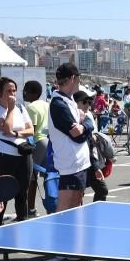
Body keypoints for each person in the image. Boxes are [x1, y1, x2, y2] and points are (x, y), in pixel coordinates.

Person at [0, 77, 35, 225]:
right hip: (4, 155)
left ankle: (22, 223)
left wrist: (17, 134)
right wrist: (11, 110)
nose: (12, 94)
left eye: (14, 90)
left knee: (23, 193)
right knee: (2, 193)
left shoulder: (21, 107)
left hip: (23, 153)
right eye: (9, 91)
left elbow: (31, 130)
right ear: (0, 92)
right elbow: (6, 129)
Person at [48, 63, 92, 211]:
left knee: (75, 207)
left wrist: (85, 124)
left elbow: (85, 125)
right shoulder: (58, 104)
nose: (80, 81)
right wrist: (86, 125)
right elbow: (76, 135)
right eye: (79, 78)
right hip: (69, 166)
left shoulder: (69, 100)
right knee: (65, 211)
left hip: (79, 164)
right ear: (73, 78)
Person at [23, 80, 49, 217]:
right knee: (48, 177)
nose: (24, 93)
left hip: (38, 143)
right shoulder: (47, 105)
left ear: (31, 92)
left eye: (25, 90)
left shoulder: (31, 107)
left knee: (32, 178)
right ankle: (51, 204)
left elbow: (31, 131)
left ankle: (31, 208)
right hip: (48, 142)